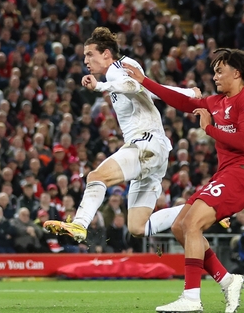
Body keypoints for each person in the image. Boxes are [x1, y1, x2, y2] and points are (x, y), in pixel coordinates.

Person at [124, 48, 244, 313]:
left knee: (192, 224)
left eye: (219, 71)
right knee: (179, 226)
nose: (215, 77)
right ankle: (227, 279)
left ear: (237, 73)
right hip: (225, 174)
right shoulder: (217, 102)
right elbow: (181, 101)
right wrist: (145, 81)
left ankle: (191, 297)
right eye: (213, 72)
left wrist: (208, 129)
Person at [44, 27, 200, 243]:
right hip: (154, 151)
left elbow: (132, 84)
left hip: (146, 142)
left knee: (96, 177)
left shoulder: (118, 68)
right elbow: (150, 89)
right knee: (138, 226)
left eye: (90, 54)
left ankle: (79, 225)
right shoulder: (123, 69)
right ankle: (204, 207)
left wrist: (100, 86)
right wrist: (189, 93)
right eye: (84, 56)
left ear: (106, 53)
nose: (86, 61)